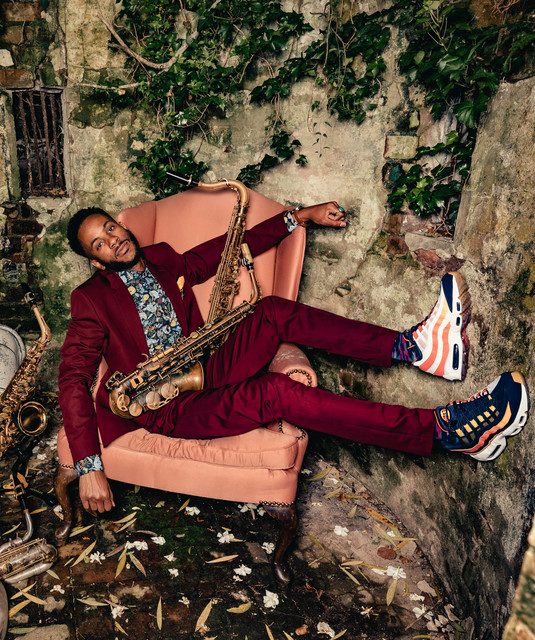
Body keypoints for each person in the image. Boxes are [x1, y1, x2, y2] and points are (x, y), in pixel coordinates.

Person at [58, 201, 530, 515]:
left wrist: (298, 218)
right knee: (279, 394)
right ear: (96, 261)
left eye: (110, 228)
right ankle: (444, 431)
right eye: (99, 243)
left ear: (121, 225)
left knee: (272, 311)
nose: (112, 239)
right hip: (171, 406)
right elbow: (73, 380)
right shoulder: (90, 299)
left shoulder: (162, 256)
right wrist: (88, 466)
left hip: (206, 363)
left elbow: (227, 250)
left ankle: (415, 348)